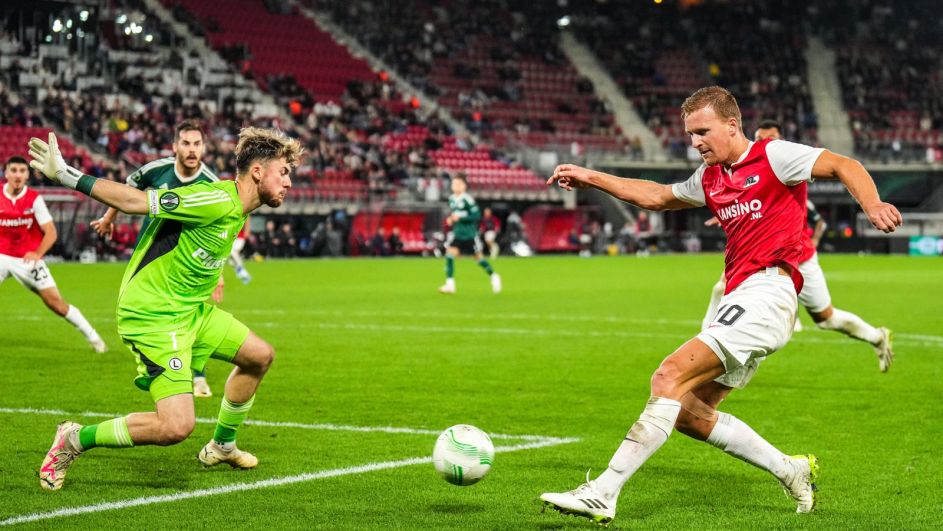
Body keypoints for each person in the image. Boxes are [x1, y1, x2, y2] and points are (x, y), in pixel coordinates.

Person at [540, 86, 902, 525]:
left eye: (703, 131)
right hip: (742, 298)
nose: (695, 142)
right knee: (692, 414)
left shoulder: (774, 156)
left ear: (732, 125)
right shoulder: (710, 179)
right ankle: (791, 470)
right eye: (690, 134)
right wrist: (592, 177)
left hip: (768, 293)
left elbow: (845, 165)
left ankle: (603, 492)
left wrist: (873, 203)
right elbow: (656, 196)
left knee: (668, 374)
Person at [29, 127, 302, 491]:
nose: (288, 182)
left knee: (259, 356)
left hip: (190, 311)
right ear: (257, 172)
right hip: (154, 315)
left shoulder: (236, 205)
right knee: (176, 427)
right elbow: (135, 201)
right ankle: (74, 439)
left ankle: (222, 445)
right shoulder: (214, 200)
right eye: (283, 172)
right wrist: (66, 173)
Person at [701, 120, 893, 371]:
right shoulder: (748, 173)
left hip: (800, 259)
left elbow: (839, 167)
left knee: (827, 319)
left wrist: (872, 203)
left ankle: (877, 337)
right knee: (722, 288)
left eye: (772, 138)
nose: (766, 143)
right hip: (761, 261)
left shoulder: (788, 168)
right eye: (761, 138)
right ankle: (706, 347)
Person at [91, 121, 228, 397]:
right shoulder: (156, 170)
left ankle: (196, 374)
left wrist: (217, 272)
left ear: (204, 147)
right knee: (155, 313)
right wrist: (108, 219)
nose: (192, 150)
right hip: (152, 256)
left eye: (197, 144)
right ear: (175, 146)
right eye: (186, 143)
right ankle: (159, 365)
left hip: (189, 263)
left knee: (189, 314)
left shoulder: (212, 184)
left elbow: (219, 232)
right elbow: (126, 191)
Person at [0, 156, 107, 353]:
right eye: (13, 170)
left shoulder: (34, 199)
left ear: (27, 175)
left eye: (22, 171)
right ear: (6, 173)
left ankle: (93, 337)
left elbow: (51, 232)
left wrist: (37, 254)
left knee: (56, 304)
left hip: (27, 259)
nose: (17, 175)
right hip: (2, 256)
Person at [439, 174, 501, 294]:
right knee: (449, 255)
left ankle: (494, 276)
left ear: (464, 186)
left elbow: (476, 215)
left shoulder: (467, 199)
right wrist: (451, 219)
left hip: (469, 235)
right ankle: (450, 285)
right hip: (458, 233)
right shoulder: (452, 199)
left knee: (478, 259)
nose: (455, 186)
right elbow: (456, 215)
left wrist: (460, 218)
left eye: (458, 184)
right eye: (453, 184)